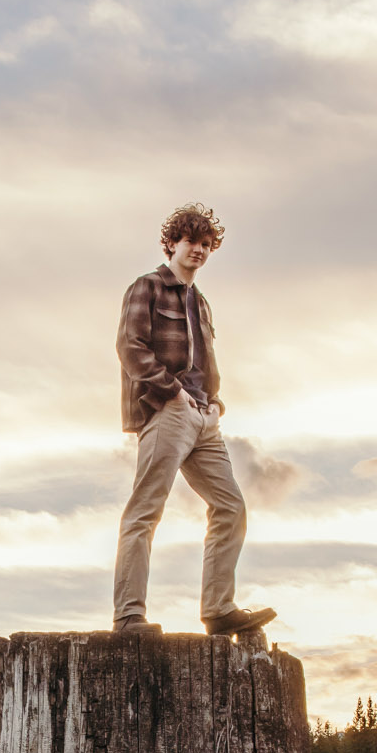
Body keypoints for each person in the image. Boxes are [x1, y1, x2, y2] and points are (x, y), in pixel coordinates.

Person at [112, 204, 277, 637]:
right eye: (191, 241)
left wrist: (214, 404)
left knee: (231, 507)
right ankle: (129, 617)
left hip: (206, 418)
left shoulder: (200, 302)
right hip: (168, 410)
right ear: (172, 243)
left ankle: (218, 610)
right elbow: (130, 348)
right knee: (145, 509)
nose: (199, 250)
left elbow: (205, 361)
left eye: (206, 245)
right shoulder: (147, 287)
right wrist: (173, 393)